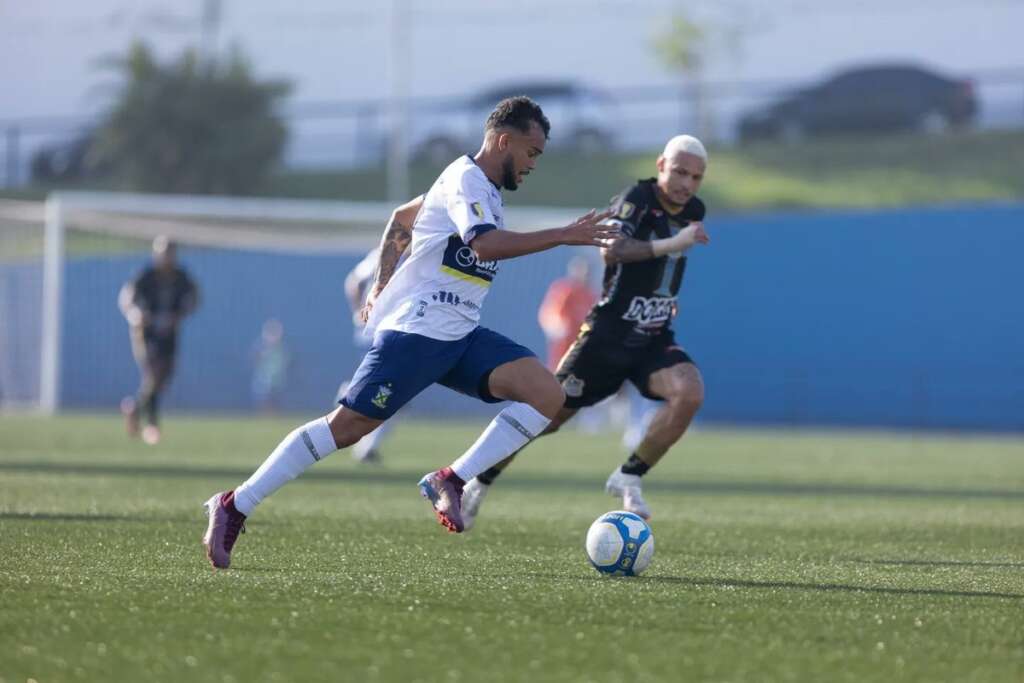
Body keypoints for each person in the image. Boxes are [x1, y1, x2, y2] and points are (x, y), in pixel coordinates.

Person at [202, 96, 618, 568]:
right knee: (347, 429)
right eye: (532, 152)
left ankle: (452, 480)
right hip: (418, 333)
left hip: (459, 335)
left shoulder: (477, 187)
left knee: (545, 393)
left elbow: (403, 216)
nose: (533, 164)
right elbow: (484, 245)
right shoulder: (467, 178)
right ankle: (234, 504)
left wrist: (381, 281)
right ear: (505, 141)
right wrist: (562, 234)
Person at [460, 134, 711, 529]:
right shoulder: (636, 198)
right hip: (606, 338)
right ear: (661, 165)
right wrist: (671, 244)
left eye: (696, 177)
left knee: (690, 391)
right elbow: (612, 250)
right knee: (547, 416)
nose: (686, 183)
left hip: (653, 335)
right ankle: (480, 479)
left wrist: (665, 294)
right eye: (680, 171)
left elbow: (667, 265)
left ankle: (629, 475)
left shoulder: (695, 208)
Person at [118, 235, 199, 445]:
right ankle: (152, 425)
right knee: (153, 375)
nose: (167, 257)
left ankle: (134, 407)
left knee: (163, 380)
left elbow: (194, 298)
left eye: (170, 253)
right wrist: (135, 314)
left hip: (169, 335)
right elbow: (126, 298)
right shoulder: (146, 275)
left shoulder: (181, 277)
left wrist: (180, 314)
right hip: (145, 333)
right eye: (163, 253)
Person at [537, 256, 597, 371]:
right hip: (566, 341)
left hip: (582, 341)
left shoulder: (590, 295)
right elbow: (550, 313)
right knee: (559, 368)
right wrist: (559, 328)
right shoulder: (565, 290)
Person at [251, 318, 291, 413]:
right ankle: (264, 416)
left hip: (277, 381)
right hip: (264, 380)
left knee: (276, 401)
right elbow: (255, 360)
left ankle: (274, 416)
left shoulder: (281, 349)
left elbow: (285, 363)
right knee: (264, 400)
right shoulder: (261, 348)